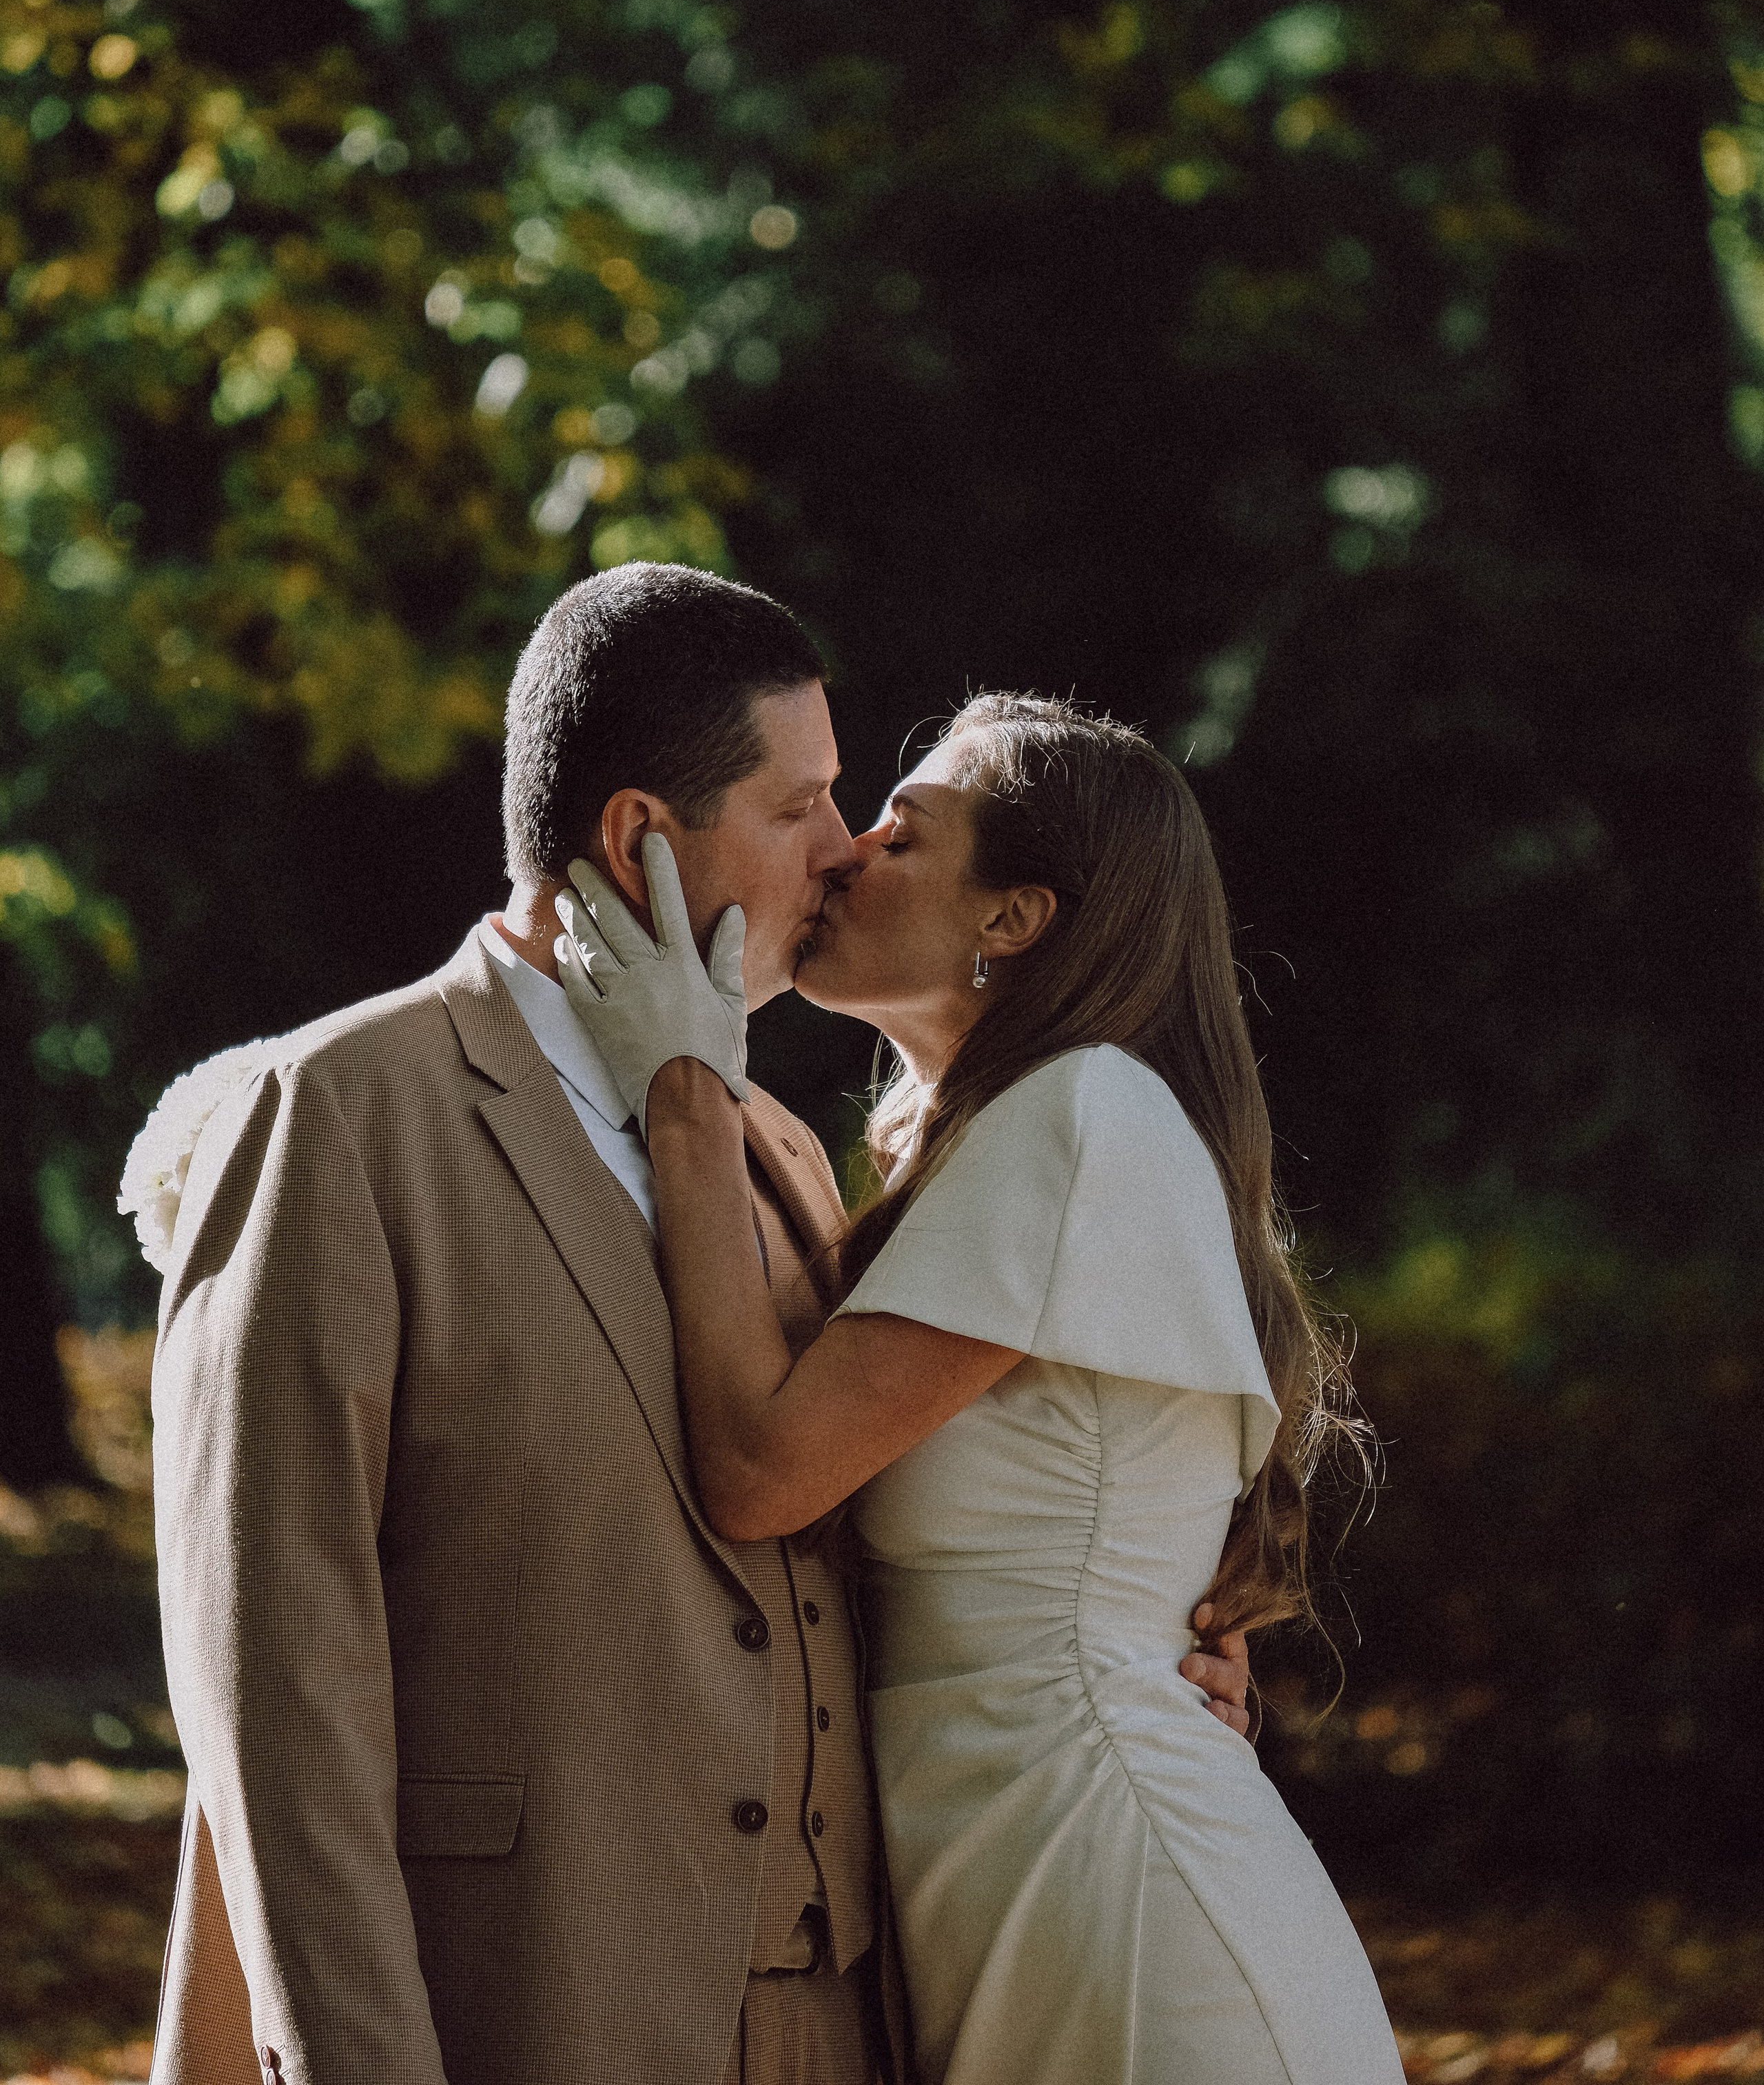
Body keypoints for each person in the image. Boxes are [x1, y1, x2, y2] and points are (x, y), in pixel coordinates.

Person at [142, 569, 1251, 2085]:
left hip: (846, 2026)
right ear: (636, 840)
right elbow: (274, 1691)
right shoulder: (341, 1117)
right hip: (526, 2012)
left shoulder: (779, 1146)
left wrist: (1157, 1650)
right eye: (798, 807)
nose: (843, 848)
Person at [554, 690, 1404, 2085]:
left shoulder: (1079, 1114)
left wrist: (686, 1090)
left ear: (1011, 917)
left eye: (903, 835)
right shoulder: (1020, 1133)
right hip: (1037, 1907)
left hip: (1128, 1927)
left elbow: (762, 1473)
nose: (843, 853)